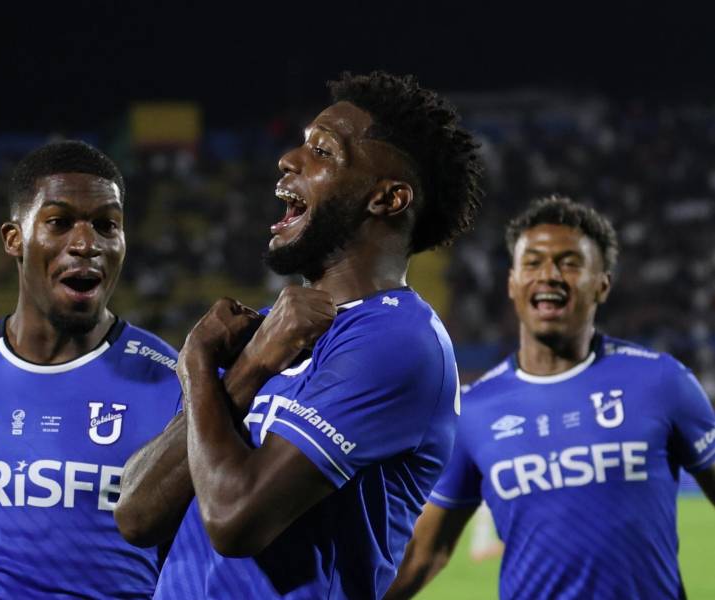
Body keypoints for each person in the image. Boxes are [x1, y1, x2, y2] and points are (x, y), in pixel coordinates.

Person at [114, 71, 484, 599]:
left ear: (387, 198)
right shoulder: (266, 333)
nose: (289, 159)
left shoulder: (399, 342)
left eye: (324, 151)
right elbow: (136, 513)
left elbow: (234, 520)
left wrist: (198, 363)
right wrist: (245, 371)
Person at [0, 140, 182, 598]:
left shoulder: (177, 386)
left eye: (107, 225)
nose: (86, 244)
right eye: (60, 222)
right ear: (14, 239)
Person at [385, 195, 715, 599]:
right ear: (512, 282)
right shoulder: (474, 410)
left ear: (603, 284)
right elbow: (424, 551)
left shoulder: (662, 381)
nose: (550, 275)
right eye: (533, 261)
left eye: (570, 262)